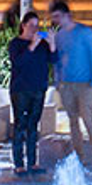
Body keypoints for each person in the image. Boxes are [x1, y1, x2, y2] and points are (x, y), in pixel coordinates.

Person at [49, 0, 92, 163]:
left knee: (87, 116)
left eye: (58, 16)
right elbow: (57, 60)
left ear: (67, 15)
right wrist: (58, 81)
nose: (56, 20)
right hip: (67, 85)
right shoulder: (59, 36)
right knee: (73, 120)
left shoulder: (85, 33)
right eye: (54, 17)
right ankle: (80, 155)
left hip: (85, 84)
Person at [8, 11, 55, 175]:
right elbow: (19, 62)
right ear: (23, 26)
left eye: (37, 25)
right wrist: (32, 45)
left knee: (33, 126)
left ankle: (33, 162)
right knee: (20, 125)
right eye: (32, 25)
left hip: (38, 88)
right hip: (21, 89)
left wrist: (52, 43)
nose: (35, 29)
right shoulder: (16, 44)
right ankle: (19, 163)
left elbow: (53, 60)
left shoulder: (42, 44)